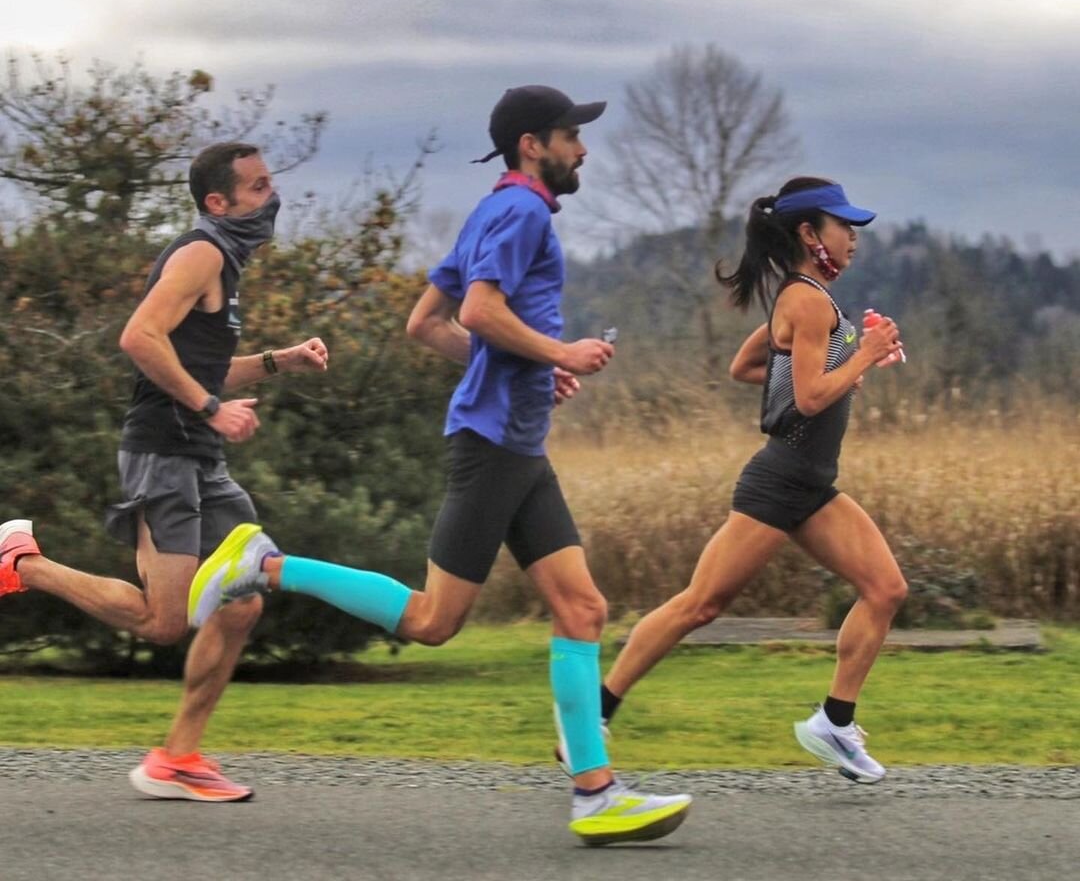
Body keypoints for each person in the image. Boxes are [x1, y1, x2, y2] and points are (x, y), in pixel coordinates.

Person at [188, 86, 692, 844]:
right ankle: (264, 565)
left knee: (583, 609)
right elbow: (482, 312)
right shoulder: (519, 213)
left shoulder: (494, 210)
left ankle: (595, 794)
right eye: (568, 136)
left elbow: (427, 324)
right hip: (494, 447)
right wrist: (560, 352)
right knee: (432, 622)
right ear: (532, 144)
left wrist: (530, 369)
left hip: (517, 444)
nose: (581, 149)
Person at [0, 141, 328, 802]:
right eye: (259, 187)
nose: (273, 198)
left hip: (196, 456)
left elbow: (196, 365)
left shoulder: (224, 263)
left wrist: (278, 361)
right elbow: (138, 338)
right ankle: (20, 563)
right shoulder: (202, 251)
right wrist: (210, 409)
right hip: (164, 453)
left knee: (243, 601)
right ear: (219, 202)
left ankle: (178, 757)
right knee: (164, 621)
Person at [594, 176, 908, 784]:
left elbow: (750, 366)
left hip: (812, 486)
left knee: (886, 589)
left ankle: (835, 724)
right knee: (700, 605)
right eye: (844, 227)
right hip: (780, 481)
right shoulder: (808, 300)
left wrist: (845, 363)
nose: (854, 240)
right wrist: (861, 358)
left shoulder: (808, 299)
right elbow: (811, 397)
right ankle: (594, 715)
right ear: (809, 234)